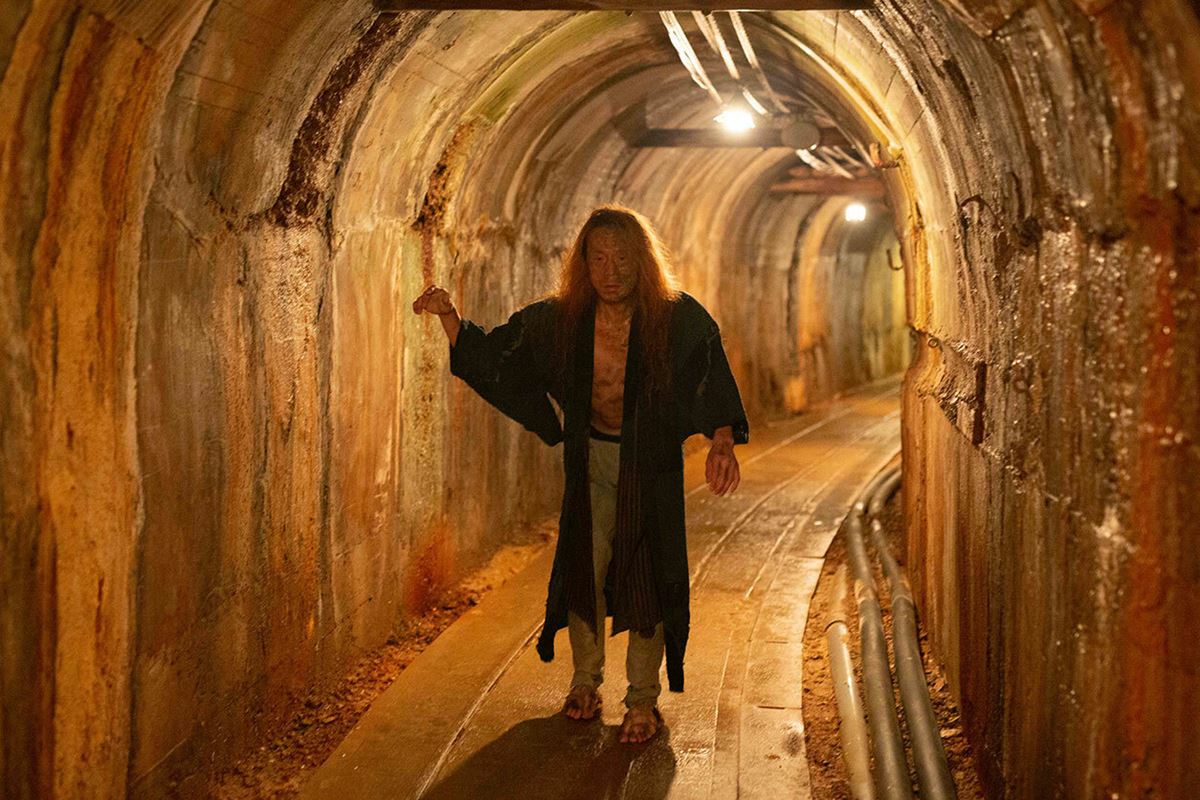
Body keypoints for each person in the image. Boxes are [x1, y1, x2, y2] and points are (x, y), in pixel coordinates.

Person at [411, 204, 748, 744]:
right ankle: (584, 682)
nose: (611, 271)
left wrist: (723, 441)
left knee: (646, 577)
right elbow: (498, 355)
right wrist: (450, 317)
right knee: (584, 569)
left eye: (622, 258)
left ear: (642, 261)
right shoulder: (561, 319)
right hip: (589, 458)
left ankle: (642, 700)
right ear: (584, 264)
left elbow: (709, 374)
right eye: (599, 259)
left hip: (651, 466)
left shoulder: (676, 317)